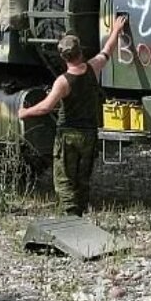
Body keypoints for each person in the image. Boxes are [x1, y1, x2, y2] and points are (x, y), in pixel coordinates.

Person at [18, 15, 128, 216]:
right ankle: (80, 215)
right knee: (82, 180)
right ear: (80, 51)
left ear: (63, 57)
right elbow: (107, 51)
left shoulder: (63, 81)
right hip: (89, 135)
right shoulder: (92, 68)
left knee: (64, 181)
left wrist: (25, 112)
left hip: (68, 135)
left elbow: (46, 107)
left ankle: (70, 219)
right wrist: (116, 31)